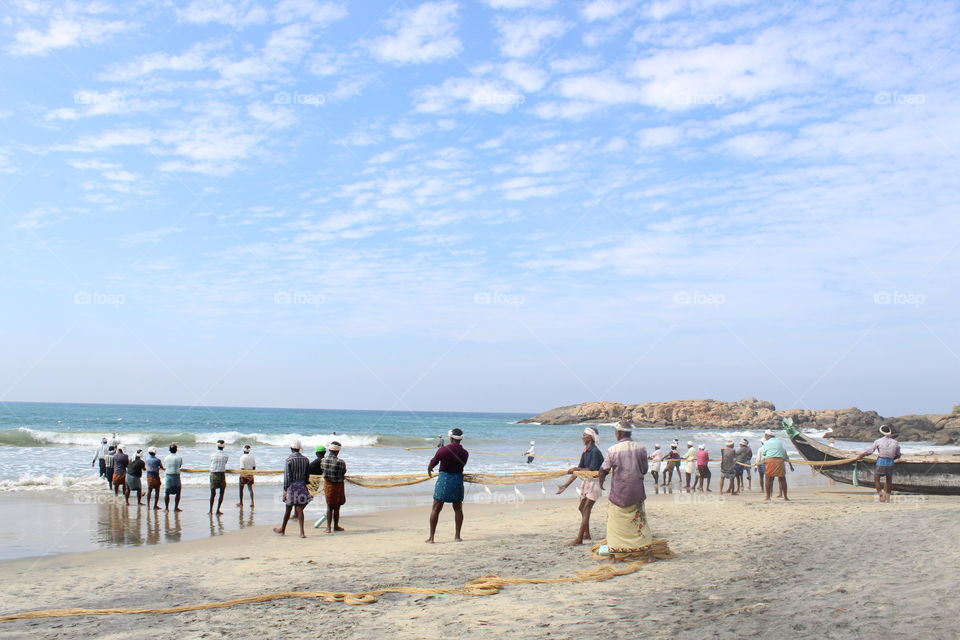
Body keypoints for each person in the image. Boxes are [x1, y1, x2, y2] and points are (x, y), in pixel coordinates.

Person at [597, 420, 659, 560]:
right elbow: (644, 470)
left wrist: (601, 483)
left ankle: (612, 555)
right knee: (640, 523)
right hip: (637, 491)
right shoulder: (641, 448)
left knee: (614, 523)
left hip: (618, 493)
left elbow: (604, 470)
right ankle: (648, 553)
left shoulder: (612, 450)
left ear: (618, 433)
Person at [555, 427, 604, 545]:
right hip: (587, 482)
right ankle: (586, 533)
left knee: (586, 509)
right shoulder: (586, 451)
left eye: (584, 435)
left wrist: (576, 469)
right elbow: (579, 471)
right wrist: (565, 486)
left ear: (590, 438)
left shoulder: (595, 452)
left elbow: (591, 470)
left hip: (594, 483)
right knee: (581, 508)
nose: (582, 437)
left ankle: (579, 539)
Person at [426, 428, 468, 543]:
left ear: (450, 438)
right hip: (458, 480)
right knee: (458, 509)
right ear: (461, 439)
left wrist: (429, 470)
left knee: (436, 509)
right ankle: (457, 536)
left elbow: (433, 463)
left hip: (444, 480)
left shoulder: (443, 450)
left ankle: (431, 538)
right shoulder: (465, 453)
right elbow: (462, 465)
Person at [274, 440, 312, 538]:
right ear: (299, 448)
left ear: (291, 448)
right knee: (299, 509)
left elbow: (287, 477)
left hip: (292, 486)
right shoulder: (306, 460)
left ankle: (282, 529)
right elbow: (307, 475)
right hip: (302, 485)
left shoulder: (289, 460)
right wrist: (305, 485)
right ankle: (302, 532)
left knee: (288, 509)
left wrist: (285, 491)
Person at [856, 425, 901, 502]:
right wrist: (893, 458)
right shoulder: (895, 442)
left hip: (881, 461)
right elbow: (898, 454)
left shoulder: (878, 441)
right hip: (890, 462)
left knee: (877, 479)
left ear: (881, 433)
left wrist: (861, 455)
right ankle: (888, 498)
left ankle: (881, 496)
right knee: (889, 480)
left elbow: (870, 451)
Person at [321, 441, 347, 533]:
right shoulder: (341, 462)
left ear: (329, 450)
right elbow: (343, 472)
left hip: (328, 485)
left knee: (329, 506)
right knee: (336, 507)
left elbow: (322, 470)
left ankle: (328, 528)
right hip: (338, 486)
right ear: (337, 452)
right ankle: (335, 526)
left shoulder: (323, 460)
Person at [761, 430, 794, 501]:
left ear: (768, 435)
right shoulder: (779, 442)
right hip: (779, 461)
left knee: (768, 479)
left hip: (770, 461)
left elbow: (764, 454)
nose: (765, 437)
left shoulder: (766, 443)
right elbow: (782, 452)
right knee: (782, 479)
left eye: (765, 435)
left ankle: (768, 497)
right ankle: (785, 497)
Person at [208, 439, 228, 515]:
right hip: (221, 475)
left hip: (213, 474)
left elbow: (211, 462)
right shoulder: (226, 455)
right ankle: (218, 510)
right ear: (224, 446)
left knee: (212, 494)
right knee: (221, 493)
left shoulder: (212, 455)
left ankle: (210, 510)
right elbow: (225, 462)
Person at [163, 444, 183, 512]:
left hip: (168, 475)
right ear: (176, 450)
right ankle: (176, 507)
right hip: (176, 476)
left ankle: (166, 508)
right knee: (178, 492)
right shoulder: (179, 458)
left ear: (169, 450)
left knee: (167, 492)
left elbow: (165, 465)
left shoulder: (166, 457)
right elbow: (180, 466)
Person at [236, 444, 256, 508]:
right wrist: (252, 475)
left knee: (241, 489)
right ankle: (252, 502)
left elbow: (242, 468)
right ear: (249, 451)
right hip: (250, 473)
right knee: (250, 489)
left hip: (244, 473)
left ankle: (241, 502)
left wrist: (243, 475)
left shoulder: (242, 457)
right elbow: (254, 467)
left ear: (243, 450)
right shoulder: (252, 457)